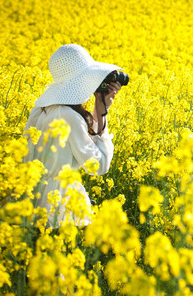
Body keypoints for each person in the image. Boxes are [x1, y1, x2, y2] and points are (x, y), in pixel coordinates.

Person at [23, 44, 123, 228]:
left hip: (30, 198)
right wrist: (102, 116)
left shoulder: (39, 110)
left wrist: (99, 110)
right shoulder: (68, 117)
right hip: (59, 207)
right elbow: (98, 166)